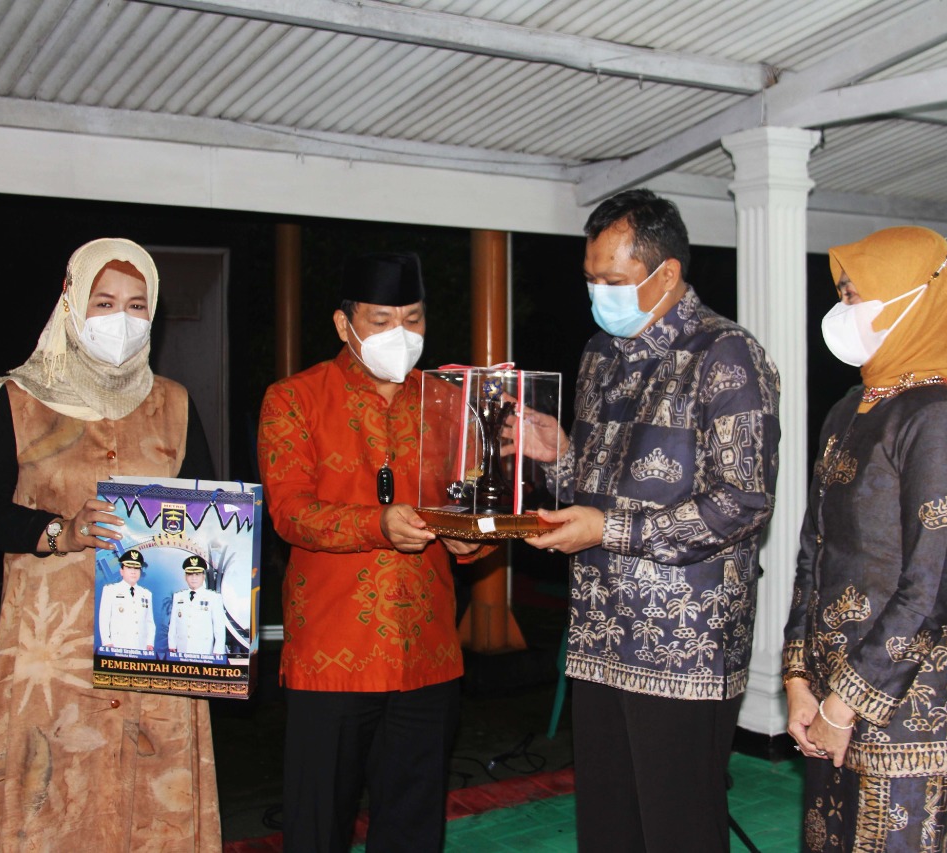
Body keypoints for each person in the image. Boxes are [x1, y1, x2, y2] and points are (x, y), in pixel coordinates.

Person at [511, 189, 781, 852]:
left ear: (666, 274)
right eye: (590, 279)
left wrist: (609, 531)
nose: (598, 294)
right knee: (609, 827)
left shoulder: (726, 355)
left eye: (613, 280)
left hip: (682, 646)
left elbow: (741, 504)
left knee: (677, 831)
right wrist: (560, 455)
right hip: (600, 634)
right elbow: (597, 490)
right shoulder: (600, 354)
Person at [0, 238, 220, 849]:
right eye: (104, 302)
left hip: (154, 648)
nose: (121, 319)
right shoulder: (21, 401)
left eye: (136, 305)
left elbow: (207, 516)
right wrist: (59, 531)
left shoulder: (174, 404)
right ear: (71, 302)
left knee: (152, 802)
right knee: (52, 801)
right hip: (54, 650)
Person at [258, 252, 490, 853]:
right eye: (382, 320)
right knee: (317, 827)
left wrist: (470, 540)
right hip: (333, 651)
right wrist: (378, 524)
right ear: (345, 324)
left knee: (413, 828)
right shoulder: (294, 399)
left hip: (428, 651)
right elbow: (289, 513)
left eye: (412, 319)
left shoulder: (447, 402)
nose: (400, 334)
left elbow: (466, 503)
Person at [783, 226, 947, 852]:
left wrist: (842, 707)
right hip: (830, 697)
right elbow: (813, 552)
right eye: (843, 295)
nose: (843, 309)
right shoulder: (850, 408)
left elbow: (930, 589)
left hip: (915, 710)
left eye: (855, 295)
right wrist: (799, 680)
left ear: (916, 298)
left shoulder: (940, 417)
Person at [97, 548, 157, 650]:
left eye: (136, 568)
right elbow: (104, 618)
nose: (133, 572)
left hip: (141, 647)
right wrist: (106, 642)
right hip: (118, 645)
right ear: (121, 571)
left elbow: (149, 621)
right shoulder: (110, 590)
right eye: (129, 567)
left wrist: (150, 643)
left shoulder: (146, 594)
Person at [169, 554, 227, 656]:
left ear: (203, 576)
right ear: (185, 577)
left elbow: (219, 627)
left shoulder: (213, 597)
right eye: (190, 574)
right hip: (182, 648)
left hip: (203, 650)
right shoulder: (178, 597)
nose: (194, 578)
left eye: (197, 574)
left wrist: (218, 650)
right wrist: (172, 644)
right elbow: (173, 623)